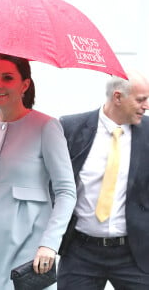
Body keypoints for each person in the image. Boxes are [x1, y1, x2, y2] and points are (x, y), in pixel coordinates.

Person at [0, 53, 76, 289]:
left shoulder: (46, 127)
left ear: (25, 85)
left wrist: (50, 244)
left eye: (7, 78)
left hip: (27, 250)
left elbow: (66, 192)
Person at [57, 70, 149, 290]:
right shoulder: (70, 128)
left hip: (133, 253)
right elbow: (54, 183)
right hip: (80, 251)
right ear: (118, 97)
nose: (146, 106)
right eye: (140, 100)